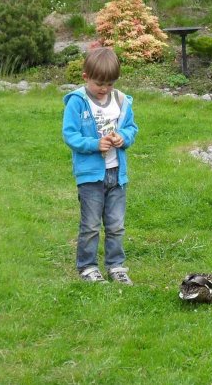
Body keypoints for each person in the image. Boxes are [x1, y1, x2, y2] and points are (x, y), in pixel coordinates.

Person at [62, 47, 138, 285]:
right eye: (99, 83)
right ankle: (87, 267)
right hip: (90, 176)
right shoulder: (78, 102)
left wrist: (122, 137)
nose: (104, 89)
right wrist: (95, 144)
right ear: (85, 77)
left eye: (110, 84)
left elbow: (131, 128)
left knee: (116, 225)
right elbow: (70, 135)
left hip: (117, 174)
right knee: (91, 225)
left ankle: (116, 266)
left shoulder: (121, 101)